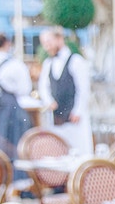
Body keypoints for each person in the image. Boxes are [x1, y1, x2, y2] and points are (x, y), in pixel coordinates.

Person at [37, 27, 93, 156]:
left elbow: (83, 89)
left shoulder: (76, 61)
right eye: (44, 43)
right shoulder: (48, 63)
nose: (46, 46)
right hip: (57, 117)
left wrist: (77, 111)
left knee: (78, 151)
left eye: (49, 42)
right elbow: (43, 86)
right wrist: (49, 101)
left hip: (74, 117)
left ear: (59, 39)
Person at [0, 33, 34, 162]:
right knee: (14, 144)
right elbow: (25, 89)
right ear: (6, 44)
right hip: (10, 108)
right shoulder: (15, 64)